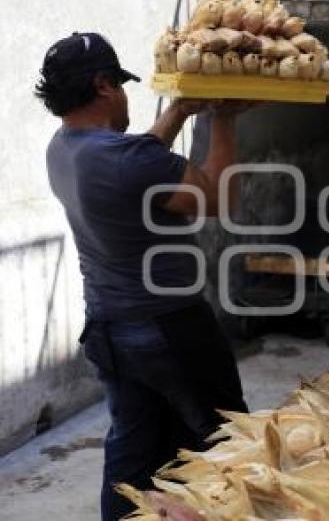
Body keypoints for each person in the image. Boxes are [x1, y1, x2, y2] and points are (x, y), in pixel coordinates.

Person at [37, 32, 252, 520]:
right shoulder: (127, 160)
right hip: (169, 326)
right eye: (123, 84)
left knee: (134, 460)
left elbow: (136, 165)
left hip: (110, 329)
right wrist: (224, 117)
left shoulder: (63, 149)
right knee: (229, 444)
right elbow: (219, 200)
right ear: (104, 85)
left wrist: (178, 111)